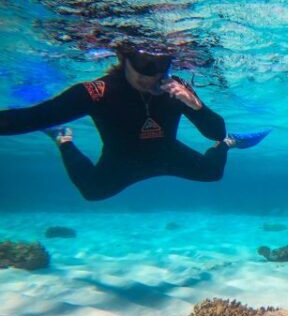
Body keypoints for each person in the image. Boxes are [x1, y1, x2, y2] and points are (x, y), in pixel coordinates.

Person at [0, 41, 269, 201]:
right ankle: (63, 138)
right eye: (145, 64)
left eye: (163, 64)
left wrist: (195, 104)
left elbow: (214, 132)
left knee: (213, 172)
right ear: (122, 58)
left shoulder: (175, 89)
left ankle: (230, 143)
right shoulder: (97, 92)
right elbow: (32, 118)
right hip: (121, 160)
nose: (155, 74)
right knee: (92, 192)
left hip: (167, 153)